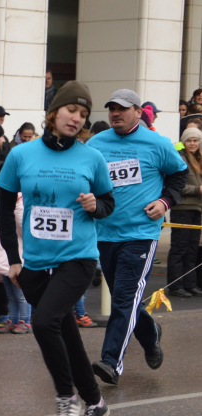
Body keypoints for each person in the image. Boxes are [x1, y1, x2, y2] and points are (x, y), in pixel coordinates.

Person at [0, 81, 115, 416]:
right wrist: (13, 258)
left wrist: (96, 206)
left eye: (83, 114)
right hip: (34, 261)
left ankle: (67, 396)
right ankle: (95, 401)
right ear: (54, 113)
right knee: (65, 331)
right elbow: (4, 209)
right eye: (71, 111)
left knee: (45, 321)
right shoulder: (21, 155)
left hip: (77, 257)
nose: (77, 119)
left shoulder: (91, 157)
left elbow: (108, 204)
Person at [88, 89, 188, 386]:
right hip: (105, 232)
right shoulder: (96, 143)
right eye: (111, 109)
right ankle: (150, 332)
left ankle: (111, 362)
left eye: (121, 109)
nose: (115, 114)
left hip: (141, 233)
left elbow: (179, 174)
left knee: (124, 298)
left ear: (136, 112)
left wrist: (165, 202)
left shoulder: (157, 143)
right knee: (127, 299)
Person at [0, 193, 31, 334]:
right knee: (11, 296)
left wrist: (16, 206)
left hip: (16, 260)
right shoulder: (8, 214)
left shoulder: (21, 206)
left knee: (21, 295)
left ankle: (25, 322)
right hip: (4, 262)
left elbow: (24, 227)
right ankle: (14, 320)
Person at [166, 127, 202, 296]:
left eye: (195, 140)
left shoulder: (199, 159)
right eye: (189, 140)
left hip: (197, 209)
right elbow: (176, 186)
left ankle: (190, 283)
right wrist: (198, 190)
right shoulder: (179, 159)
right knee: (179, 247)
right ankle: (175, 285)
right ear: (184, 142)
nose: (193, 143)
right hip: (182, 209)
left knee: (192, 248)